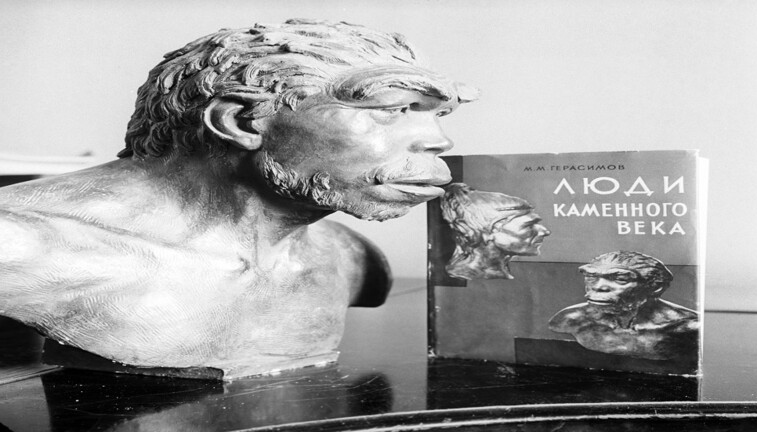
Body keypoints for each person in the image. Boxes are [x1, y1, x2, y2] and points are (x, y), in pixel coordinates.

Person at [0, 19, 476, 379]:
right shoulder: (19, 245)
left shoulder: (349, 259)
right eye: (392, 110)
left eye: (436, 116)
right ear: (240, 121)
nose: (438, 142)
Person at [548, 251, 699, 361]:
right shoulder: (572, 318)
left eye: (620, 279)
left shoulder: (689, 328)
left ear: (655, 287)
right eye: (591, 277)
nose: (599, 287)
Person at [439, 183, 550, 280]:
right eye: (529, 226)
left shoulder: (502, 271)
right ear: (488, 231)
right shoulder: (467, 273)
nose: (545, 231)